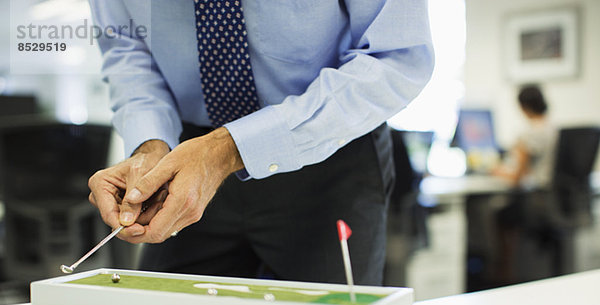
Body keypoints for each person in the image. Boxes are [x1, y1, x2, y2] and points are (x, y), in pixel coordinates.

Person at [86, 1, 434, 285]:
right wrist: (150, 145)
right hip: (184, 160)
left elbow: (395, 59)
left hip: (327, 147)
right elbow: (128, 50)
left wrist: (227, 150)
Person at [491, 84, 559, 284]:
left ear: (523, 107)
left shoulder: (529, 134)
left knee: (499, 213)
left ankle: (503, 273)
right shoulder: (554, 129)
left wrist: (496, 171)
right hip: (554, 200)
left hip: (537, 202)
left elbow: (516, 178)